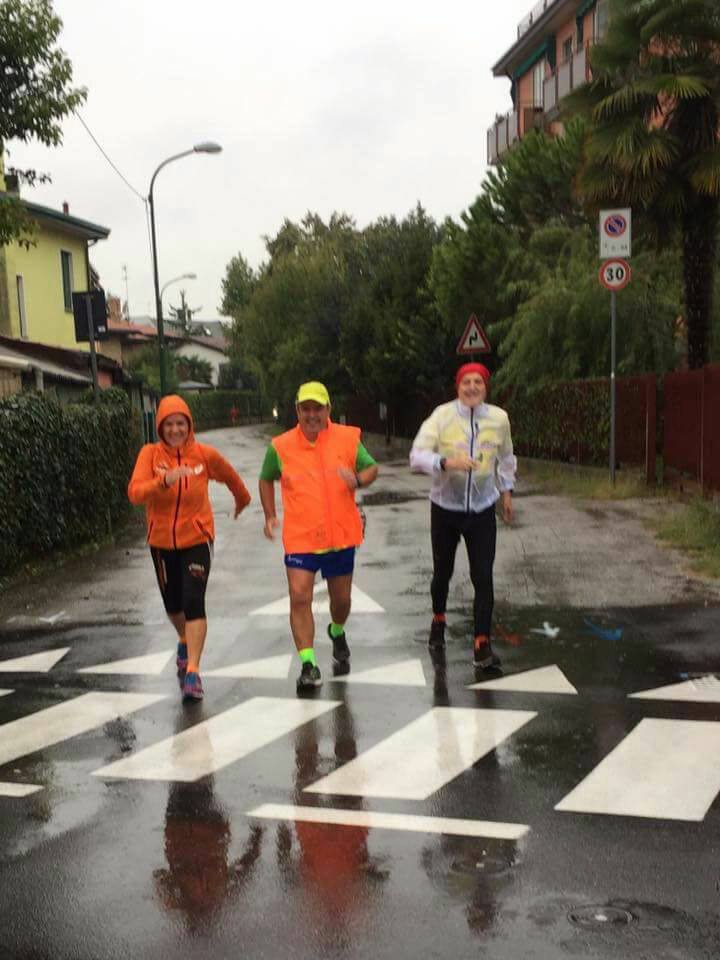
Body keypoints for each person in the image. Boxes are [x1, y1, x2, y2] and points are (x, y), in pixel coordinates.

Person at [128, 394, 251, 701]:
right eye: (169, 424)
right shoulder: (149, 455)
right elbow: (135, 493)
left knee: (194, 601)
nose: (175, 430)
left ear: (189, 425)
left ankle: (193, 671)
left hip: (198, 538)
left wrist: (242, 500)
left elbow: (230, 476)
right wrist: (163, 481)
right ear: (160, 427)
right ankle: (184, 638)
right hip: (161, 542)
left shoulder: (203, 455)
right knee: (173, 605)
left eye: (180, 423)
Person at [258, 381, 378, 692]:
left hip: (340, 535)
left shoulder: (347, 439)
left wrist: (357, 480)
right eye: (306, 409)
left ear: (328, 410)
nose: (312, 415)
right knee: (299, 597)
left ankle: (336, 630)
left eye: (318, 408)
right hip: (301, 537)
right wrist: (269, 514)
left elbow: (371, 468)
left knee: (342, 601)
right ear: (297, 411)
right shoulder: (280, 446)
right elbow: (266, 478)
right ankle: (308, 664)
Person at [410, 363, 515, 671]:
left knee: (483, 576)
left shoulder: (499, 419)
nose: (472, 387)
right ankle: (438, 619)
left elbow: (506, 458)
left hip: (482, 508)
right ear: (458, 387)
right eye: (466, 382)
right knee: (442, 573)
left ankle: (482, 644)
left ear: (485, 387)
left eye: (478, 382)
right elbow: (416, 456)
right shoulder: (442, 416)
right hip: (445, 507)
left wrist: (507, 492)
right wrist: (446, 462)